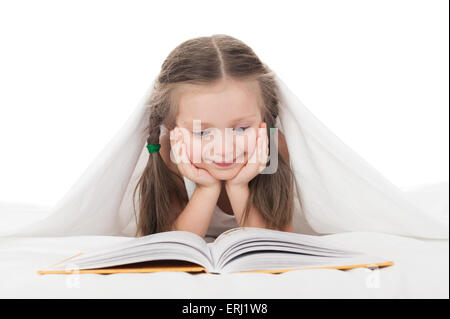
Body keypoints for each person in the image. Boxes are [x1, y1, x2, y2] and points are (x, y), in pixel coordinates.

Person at [134, 34, 295, 239]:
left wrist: (238, 187)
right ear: (172, 128)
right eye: (202, 132)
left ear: (265, 119)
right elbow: (168, 246)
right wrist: (206, 189)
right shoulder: (169, 154)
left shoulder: (274, 147)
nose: (224, 149)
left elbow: (276, 246)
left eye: (241, 129)